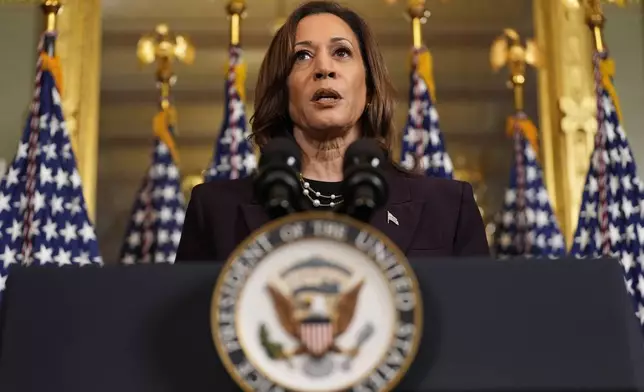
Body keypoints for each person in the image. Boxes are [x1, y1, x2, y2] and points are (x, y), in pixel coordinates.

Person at [175, 0, 489, 262]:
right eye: (302, 56)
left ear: (369, 86)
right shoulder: (215, 212)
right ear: (282, 91)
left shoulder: (448, 208)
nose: (324, 68)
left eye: (341, 52)